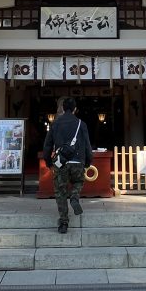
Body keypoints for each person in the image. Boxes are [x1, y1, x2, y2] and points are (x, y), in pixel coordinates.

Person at [42, 96, 93, 234]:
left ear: (63, 108)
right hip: (77, 162)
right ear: (75, 109)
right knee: (78, 181)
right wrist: (88, 162)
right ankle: (75, 197)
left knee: (60, 192)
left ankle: (64, 222)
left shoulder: (56, 124)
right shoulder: (81, 124)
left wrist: (47, 162)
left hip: (61, 163)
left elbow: (47, 145)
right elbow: (87, 145)